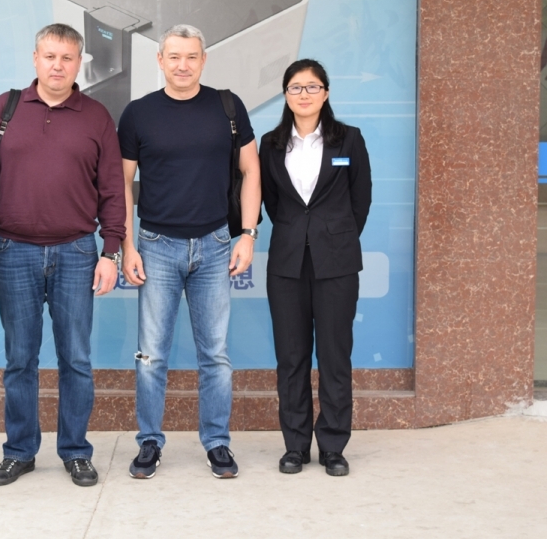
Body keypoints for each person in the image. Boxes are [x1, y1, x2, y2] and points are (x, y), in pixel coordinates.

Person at [0, 23, 126, 488]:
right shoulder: (5, 108)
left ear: (79, 64)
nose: (58, 66)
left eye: (67, 58)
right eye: (50, 56)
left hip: (77, 252)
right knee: (20, 358)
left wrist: (111, 250)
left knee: (75, 358)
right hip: (13, 250)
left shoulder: (96, 116)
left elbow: (112, 189)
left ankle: (76, 451)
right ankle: (19, 451)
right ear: (35, 59)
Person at [118, 24, 261, 479]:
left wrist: (248, 234)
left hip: (216, 245)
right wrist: (126, 245)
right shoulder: (138, 113)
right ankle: (149, 442)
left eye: (192, 56)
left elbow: (251, 169)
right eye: (174, 56)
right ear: (160, 60)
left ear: (204, 60)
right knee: (151, 355)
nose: (183, 65)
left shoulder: (228, 106)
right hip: (156, 247)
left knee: (215, 354)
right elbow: (121, 184)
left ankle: (217, 443)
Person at [259, 59, 371, 477]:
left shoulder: (349, 139)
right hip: (287, 263)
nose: (303, 94)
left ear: (326, 93)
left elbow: (361, 199)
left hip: (337, 262)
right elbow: (273, 203)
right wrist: (299, 234)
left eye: (311, 87)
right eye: (295, 87)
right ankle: (295, 446)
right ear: (285, 95)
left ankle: (333, 446)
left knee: (335, 356)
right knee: (291, 357)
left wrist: (333, 236)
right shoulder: (271, 144)